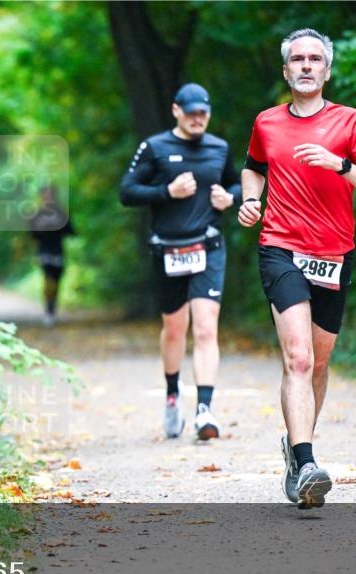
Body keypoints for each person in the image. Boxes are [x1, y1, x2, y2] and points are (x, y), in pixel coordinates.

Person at [238, 28, 356, 508]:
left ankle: (294, 449)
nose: (306, 65)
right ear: (286, 71)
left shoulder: (350, 121)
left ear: (326, 70)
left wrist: (339, 164)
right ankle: (306, 462)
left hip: (333, 254)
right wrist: (249, 198)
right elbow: (253, 167)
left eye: (315, 59)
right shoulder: (267, 122)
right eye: (297, 59)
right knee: (299, 359)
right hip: (280, 247)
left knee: (320, 364)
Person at [119, 83, 241, 440]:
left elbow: (236, 184)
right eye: (190, 112)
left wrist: (228, 198)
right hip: (169, 250)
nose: (197, 119)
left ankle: (205, 409)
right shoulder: (155, 147)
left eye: (203, 112)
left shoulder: (219, 148)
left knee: (205, 328)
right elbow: (127, 191)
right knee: (175, 329)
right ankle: (173, 394)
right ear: (176, 111)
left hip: (208, 246)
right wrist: (165, 192)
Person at [27, 185, 74, 327]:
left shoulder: (61, 213)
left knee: (57, 281)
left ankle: (52, 308)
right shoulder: (37, 214)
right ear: (41, 196)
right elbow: (31, 234)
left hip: (58, 251)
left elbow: (71, 231)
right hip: (44, 252)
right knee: (48, 280)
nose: (48, 197)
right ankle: (48, 310)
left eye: (50, 195)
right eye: (45, 195)